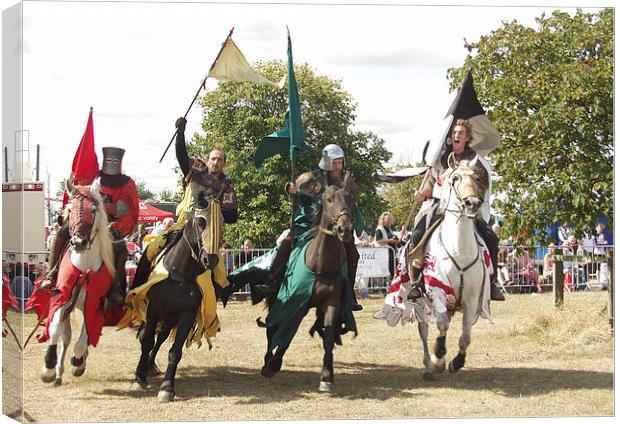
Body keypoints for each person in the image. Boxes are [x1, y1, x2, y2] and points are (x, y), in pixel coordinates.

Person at [256, 144, 365, 311]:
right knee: (286, 242)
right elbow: (302, 200)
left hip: (335, 227)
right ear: (327, 162)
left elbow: (351, 202)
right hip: (308, 223)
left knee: (353, 254)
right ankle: (272, 282)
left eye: (340, 162)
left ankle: (349, 294)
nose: (338, 166)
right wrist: (293, 192)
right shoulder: (311, 179)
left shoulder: (346, 182)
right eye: (334, 163)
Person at [133, 117, 238, 286]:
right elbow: (182, 156)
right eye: (213, 158)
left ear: (224, 163)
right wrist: (180, 133)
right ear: (207, 159)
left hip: (209, 234)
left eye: (220, 159)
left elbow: (233, 216)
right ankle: (135, 290)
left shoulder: (227, 186)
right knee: (151, 250)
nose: (216, 162)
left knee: (221, 277)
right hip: (184, 224)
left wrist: (215, 208)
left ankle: (213, 307)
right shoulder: (197, 168)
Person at [409, 119, 504, 301]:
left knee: (491, 237)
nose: (456, 136)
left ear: (467, 137)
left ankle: (492, 283)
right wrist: (424, 192)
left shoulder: (475, 161)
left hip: (468, 208)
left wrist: (471, 198)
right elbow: (431, 182)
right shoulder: (440, 157)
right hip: (441, 206)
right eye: (454, 133)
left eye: (460, 133)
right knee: (417, 234)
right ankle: (417, 282)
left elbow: (482, 185)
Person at [41, 147, 140, 305]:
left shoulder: (127, 183)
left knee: (120, 247)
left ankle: (116, 288)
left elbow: (127, 209)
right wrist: (69, 215)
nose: (112, 163)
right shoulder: (93, 176)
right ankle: (50, 275)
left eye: (115, 161)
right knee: (61, 235)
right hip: (86, 219)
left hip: (111, 224)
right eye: (109, 160)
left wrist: (115, 223)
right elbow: (78, 196)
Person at [374, 211, 402, 278]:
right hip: (384, 254)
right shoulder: (379, 229)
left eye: (390, 219)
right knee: (388, 271)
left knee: (394, 269)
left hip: (391, 253)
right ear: (383, 219)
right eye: (388, 219)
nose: (389, 220)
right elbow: (378, 241)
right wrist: (390, 240)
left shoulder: (389, 229)